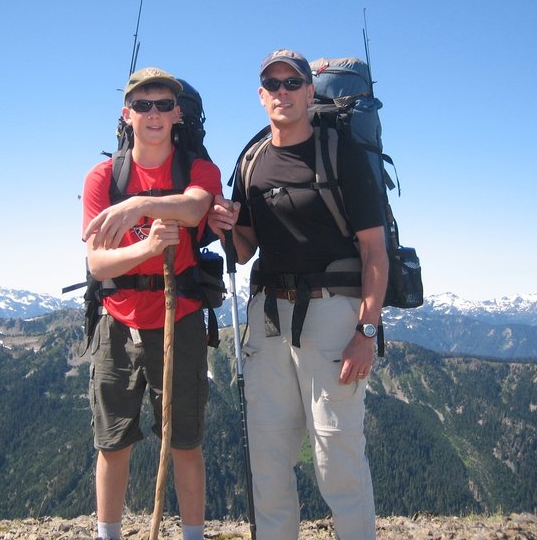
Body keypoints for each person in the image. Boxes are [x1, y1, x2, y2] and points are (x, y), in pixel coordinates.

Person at [207, 49, 388, 540]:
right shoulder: (252, 161)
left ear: (311, 92)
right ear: (261, 95)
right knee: (266, 456)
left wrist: (366, 332)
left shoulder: (340, 154)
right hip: (268, 317)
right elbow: (244, 251)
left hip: (334, 313)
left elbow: (375, 252)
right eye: (273, 84)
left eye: (294, 83)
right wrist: (227, 225)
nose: (283, 92)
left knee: (337, 455)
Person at [81, 67, 221, 540]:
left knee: (184, 442)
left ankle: (192, 536)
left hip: (178, 318)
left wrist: (134, 208)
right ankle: (109, 535)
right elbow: (98, 265)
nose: (154, 114)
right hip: (117, 320)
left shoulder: (198, 169)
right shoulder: (103, 176)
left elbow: (196, 208)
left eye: (164, 105)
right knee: (112, 441)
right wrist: (145, 247)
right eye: (144, 105)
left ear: (178, 113)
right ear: (128, 114)